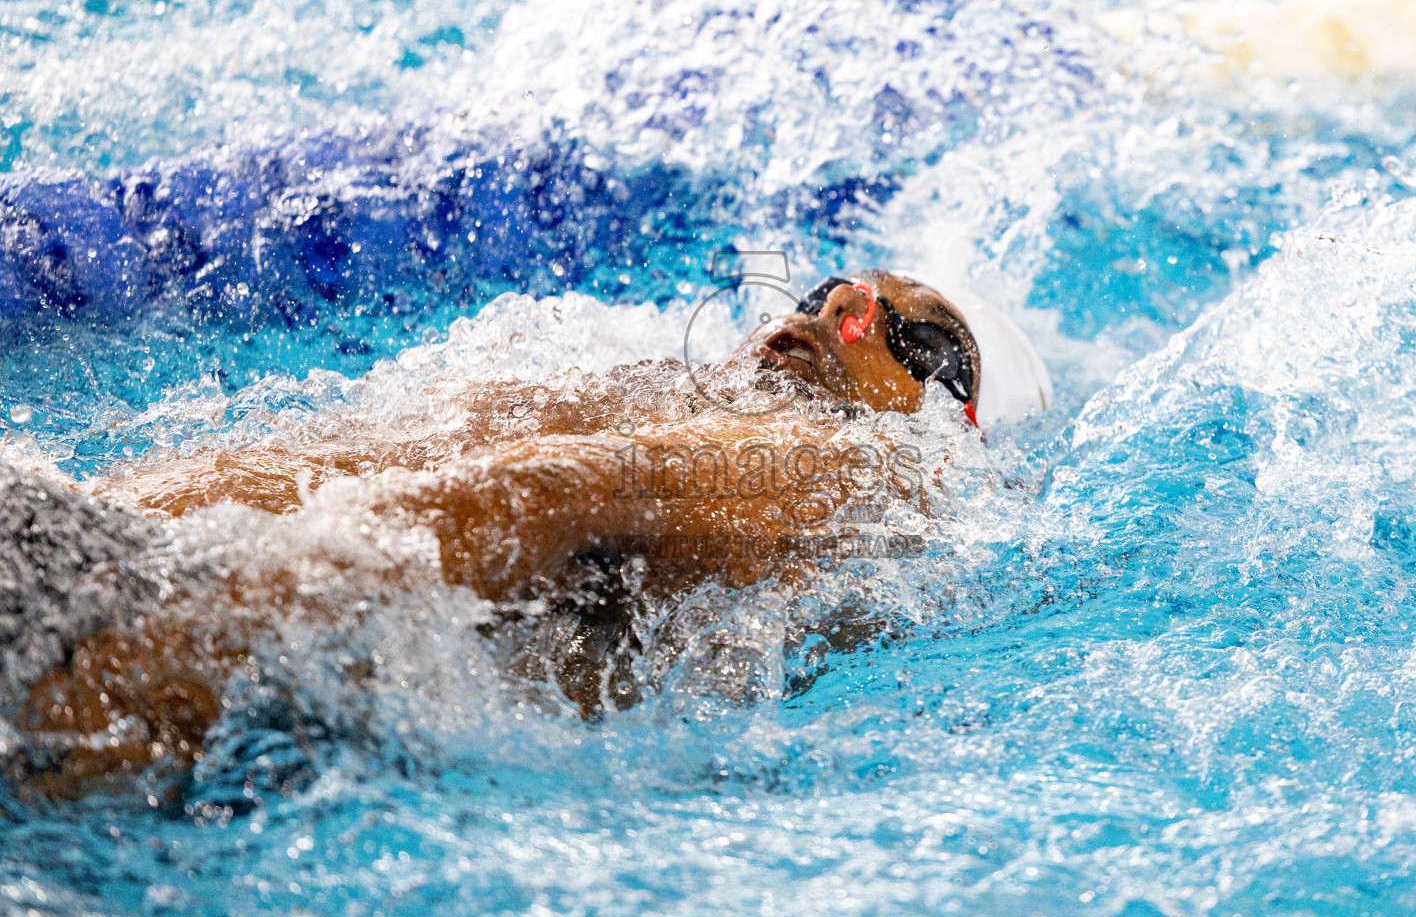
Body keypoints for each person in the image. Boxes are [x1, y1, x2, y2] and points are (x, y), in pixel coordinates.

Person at [4, 270, 1050, 798]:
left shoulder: (846, 467)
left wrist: (149, 662)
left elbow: (547, 495)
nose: (836, 313)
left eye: (903, 333)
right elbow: (359, 455)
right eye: (828, 291)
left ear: (945, 431)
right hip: (164, 587)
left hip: (192, 666)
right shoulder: (667, 394)